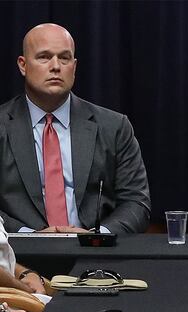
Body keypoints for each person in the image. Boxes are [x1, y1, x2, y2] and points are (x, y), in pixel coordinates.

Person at [0, 23, 150, 233]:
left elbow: (136, 202)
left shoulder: (114, 127)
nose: (56, 66)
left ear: (74, 66)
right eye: (44, 57)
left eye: (64, 58)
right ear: (23, 65)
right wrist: (31, 235)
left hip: (96, 254)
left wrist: (97, 237)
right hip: (18, 255)